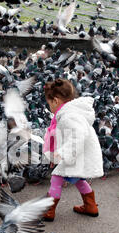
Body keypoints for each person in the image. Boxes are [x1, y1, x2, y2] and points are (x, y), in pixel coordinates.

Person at [42, 78, 104, 222]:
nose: (49, 106)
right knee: (77, 178)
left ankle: (49, 211)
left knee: (56, 178)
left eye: (49, 103)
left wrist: (62, 153)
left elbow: (77, 136)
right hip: (79, 153)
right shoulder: (71, 113)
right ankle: (91, 206)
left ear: (55, 101)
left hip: (76, 153)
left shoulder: (68, 116)